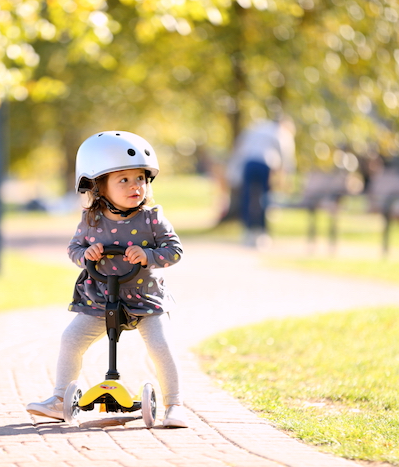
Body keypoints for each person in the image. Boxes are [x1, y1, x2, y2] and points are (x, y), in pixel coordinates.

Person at [26, 131, 188, 428]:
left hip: (145, 299)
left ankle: (175, 404)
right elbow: (73, 249)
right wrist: (87, 254)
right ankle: (60, 399)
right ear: (99, 187)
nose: (134, 186)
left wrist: (149, 256)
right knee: (71, 339)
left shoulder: (152, 218)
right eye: (123, 180)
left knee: (161, 346)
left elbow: (174, 250)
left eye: (139, 178)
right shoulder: (91, 219)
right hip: (101, 298)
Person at [226, 116, 296, 246]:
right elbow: (286, 159)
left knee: (247, 197)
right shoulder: (281, 132)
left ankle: (248, 230)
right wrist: (285, 179)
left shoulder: (258, 128)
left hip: (248, 163)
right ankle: (262, 231)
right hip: (265, 164)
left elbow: (241, 146)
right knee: (264, 198)